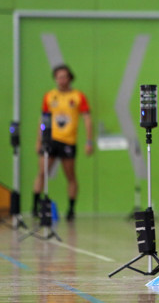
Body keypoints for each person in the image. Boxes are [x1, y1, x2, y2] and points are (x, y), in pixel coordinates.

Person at [33, 64, 94, 221]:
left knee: (71, 176)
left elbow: (87, 119)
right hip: (51, 140)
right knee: (42, 172)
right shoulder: (49, 96)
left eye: (64, 76)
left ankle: (71, 209)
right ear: (55, 78)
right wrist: (39, 139)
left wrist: (89, 141)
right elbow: (43, 119)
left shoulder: (78, 97)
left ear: (70, 78)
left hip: (68, 141)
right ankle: (35, 206)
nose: (61, 80)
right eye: (58, 77)